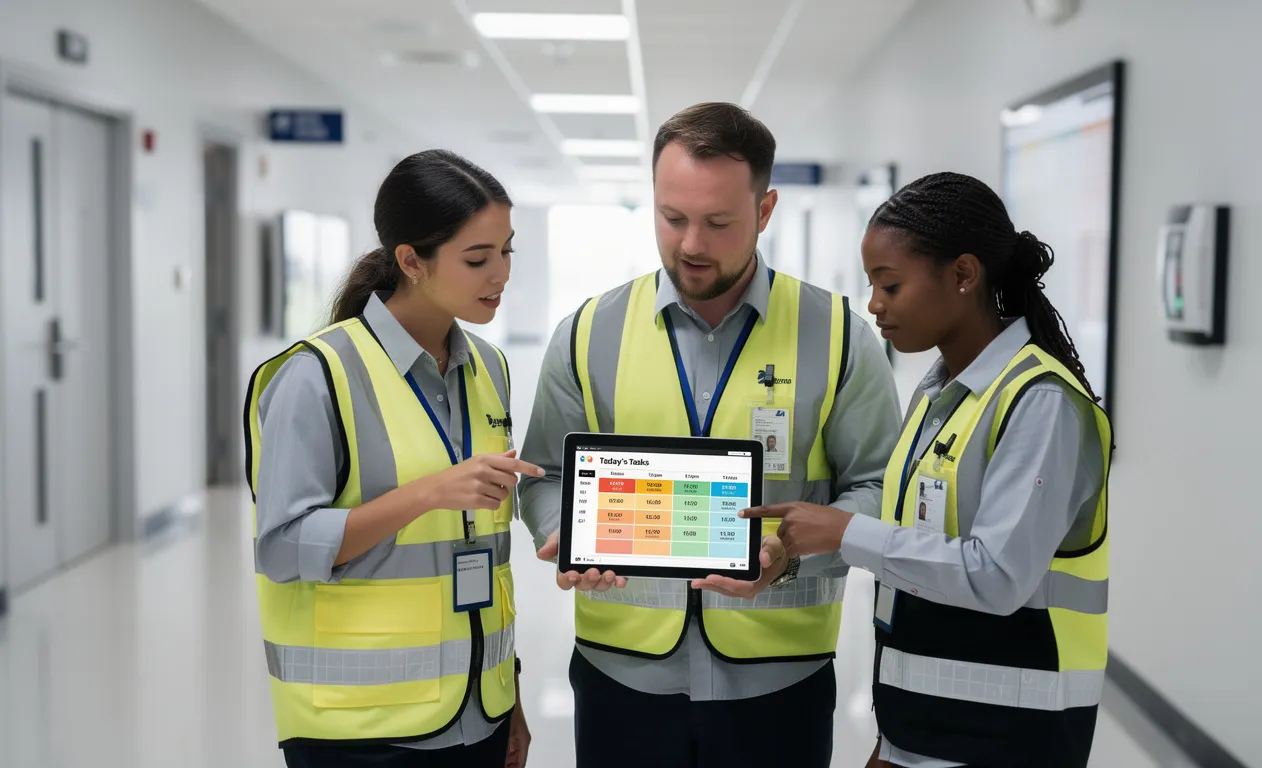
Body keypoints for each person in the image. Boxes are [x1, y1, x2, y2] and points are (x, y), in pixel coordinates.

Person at [518, 102, 901, 768]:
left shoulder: (839, 336)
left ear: (765, 209)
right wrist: (569, 533)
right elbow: (545, 475)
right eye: (673, 218)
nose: (691, 244)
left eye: (718, 223)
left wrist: (788, 551)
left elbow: (878, 487)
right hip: (621, 676)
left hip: (778, 681)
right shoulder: (587, 332)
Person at [742, 172, 1111, 768]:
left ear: (963, 275)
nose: (874, 304)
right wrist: (893, 741)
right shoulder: (938, 395)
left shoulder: (1040, 403)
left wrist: (844, 531)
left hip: (1009, 742)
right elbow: (917, 559)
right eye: (871, 285)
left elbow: (996, 576)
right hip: (924, 738)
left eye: (890, 284)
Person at [244, 150, 544, 768]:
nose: (501, 274)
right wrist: (428, 493)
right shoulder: (316, 375)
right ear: (411, 261)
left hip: (476, 711)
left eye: (507, 250)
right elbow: (282, 548)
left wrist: (506, 693)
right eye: (478, 259)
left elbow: (482, 554)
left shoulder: (488, 367)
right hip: (361, 729)